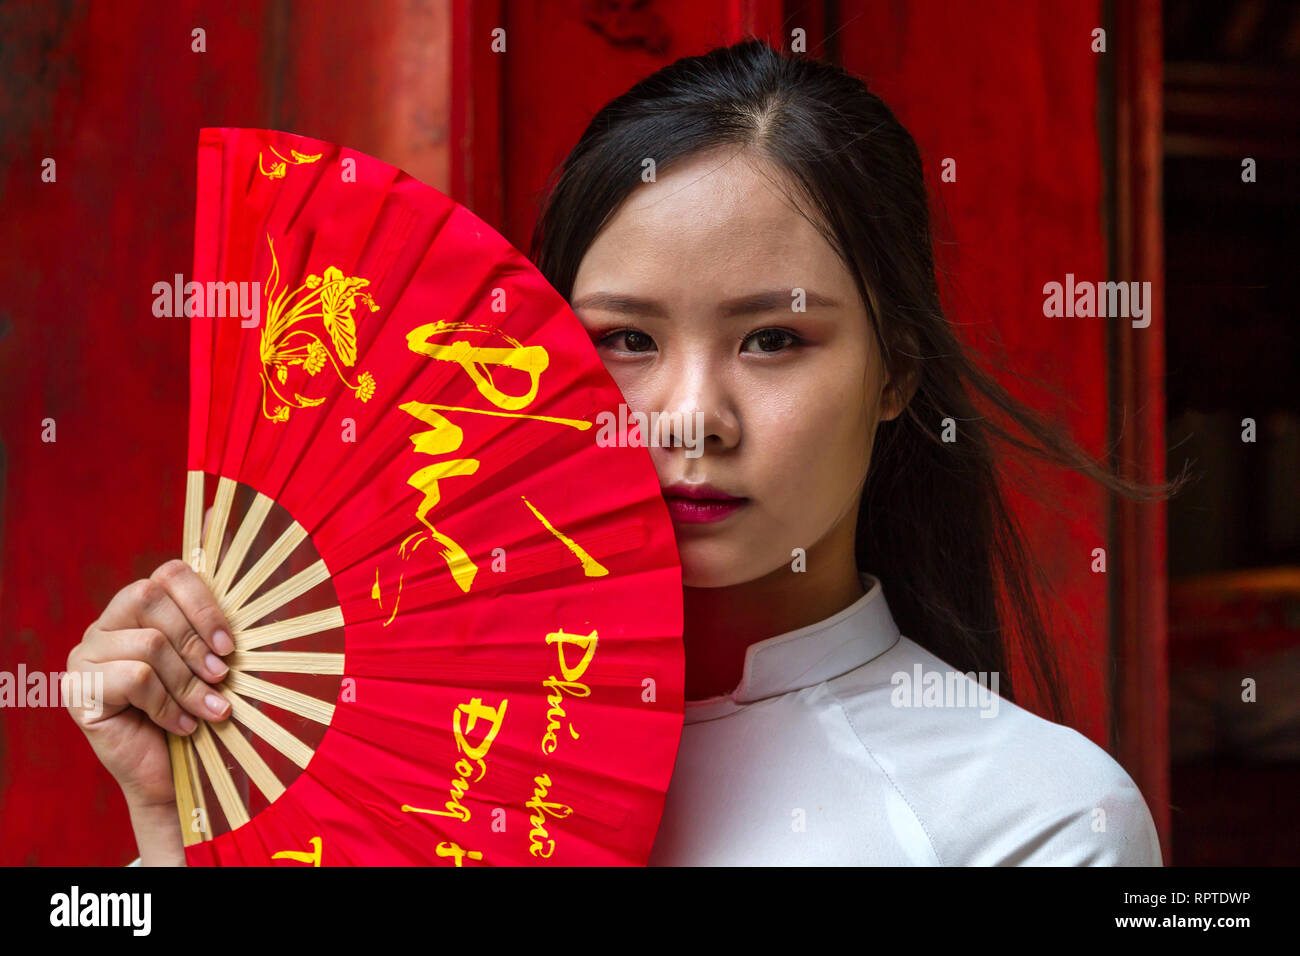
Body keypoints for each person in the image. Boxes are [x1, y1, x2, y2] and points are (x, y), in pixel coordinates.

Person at [68, 37, 1168, 866]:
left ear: (895, 373)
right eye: (625, 340)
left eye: (774, 339)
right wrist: (178, 823)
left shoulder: (1040, 817)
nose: (690, 415)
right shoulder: (379, 754)